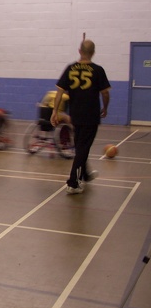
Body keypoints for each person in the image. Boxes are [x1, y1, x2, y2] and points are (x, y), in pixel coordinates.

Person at [51, 39, 110, 195]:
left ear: (79, 51)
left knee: (80, 146)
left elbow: (59, 92)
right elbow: (105, 93)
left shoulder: (70, 68)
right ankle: (73, 183)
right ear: (93, 52)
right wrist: (105, 107)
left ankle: (85, 174)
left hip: (75, 115)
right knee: (83, 148)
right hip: (91, 115)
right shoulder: (98, 70)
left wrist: (55, 111)